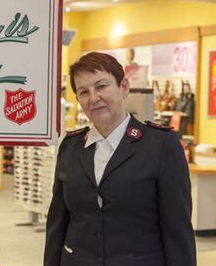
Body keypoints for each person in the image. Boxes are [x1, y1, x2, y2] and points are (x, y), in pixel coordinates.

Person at [44, 52, 196, 266]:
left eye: (101, 86)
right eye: (83, 92)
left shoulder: (161, 145)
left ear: (124, 87)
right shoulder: (70, 147)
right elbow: (57, 225)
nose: (93, 97)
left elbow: (177, 230)